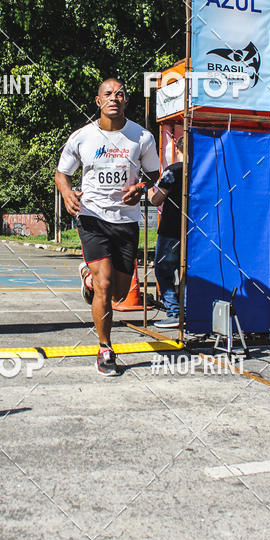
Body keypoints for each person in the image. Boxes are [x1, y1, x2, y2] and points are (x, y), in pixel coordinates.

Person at [55, 77, 160, 376]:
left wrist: (140, 187)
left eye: (120, 94)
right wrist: (66, 193)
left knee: (118, 292)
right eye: (108, 94)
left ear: (127, 101)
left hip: (126, 220)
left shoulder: (142, 138)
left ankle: (88, 278)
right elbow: (62, 173)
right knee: (104, 286)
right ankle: (105, 348)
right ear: (98, 101)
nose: (114, 97)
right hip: (92, 216)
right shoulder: (82, 138)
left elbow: (154, 175)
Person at [148, 135, 185, 328]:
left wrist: (147, 190)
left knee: (164, 271)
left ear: (177, 150)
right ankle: (189, 310)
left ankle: (174, 312)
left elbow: (157, 200)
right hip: (194, 231)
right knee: (188, 273)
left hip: (171, 229)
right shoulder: (202, 170)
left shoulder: (172, 171)